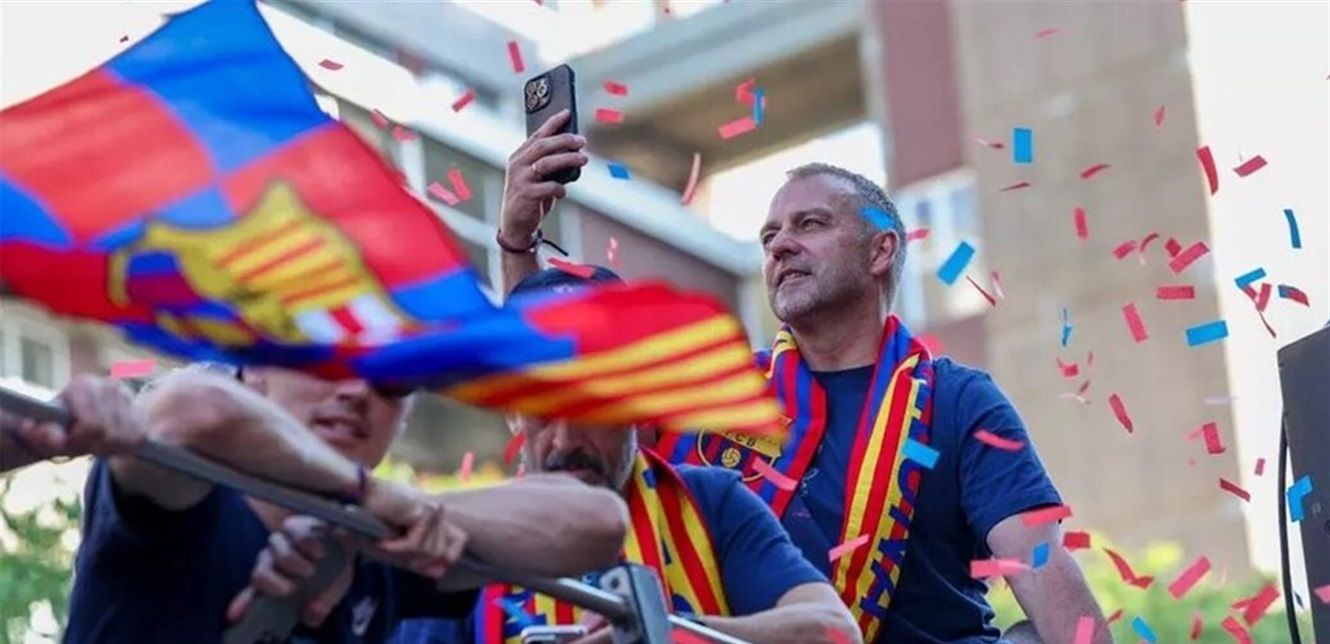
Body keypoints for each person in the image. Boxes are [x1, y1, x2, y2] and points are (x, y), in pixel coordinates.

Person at [497, 115, 1109, 643]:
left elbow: (1048, 580)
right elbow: (562, 394)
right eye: (769, 236)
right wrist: (518, 241)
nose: (780, 246)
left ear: (880, 251)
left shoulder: (958, 401)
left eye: (810, 224)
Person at [392, 268, 861, 644]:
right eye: (543, 410)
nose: (565, 440)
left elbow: (835, 632)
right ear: (512, 413)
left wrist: (668, 634)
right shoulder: (463, 536)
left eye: (592, 407)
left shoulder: (710, 502)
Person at [48, 363, 627, 643]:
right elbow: (188, 412)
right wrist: (371, 494)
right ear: (253, 374)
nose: (354, 391)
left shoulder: (383, 543)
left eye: (390, 378)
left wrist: (378, 525)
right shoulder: (185, 493)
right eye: (321, 359)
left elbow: (596, 521)